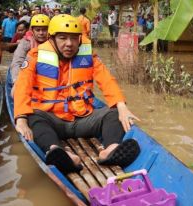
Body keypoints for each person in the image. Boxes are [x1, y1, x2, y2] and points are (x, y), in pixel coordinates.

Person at [13, 14, 140, 175]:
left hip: (82, 119)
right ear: (51, 39)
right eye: (63, 38)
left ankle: (111, 149)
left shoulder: (89, 56)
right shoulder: (34, 56)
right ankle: (57, 151)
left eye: (74, 38)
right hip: (52, 119)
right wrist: (21, 119)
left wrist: (122, 106)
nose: (69, 44)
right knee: (33, 117)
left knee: (113, 113)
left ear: (80, 39)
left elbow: (106, 80)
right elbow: (22, 87)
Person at [10, 14, 49, 85]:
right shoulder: (25, 42)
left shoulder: (52, 42)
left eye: (44, 30)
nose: (41, 33)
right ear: (32, 30)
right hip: (24, 75)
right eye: (38, 30)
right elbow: (17, 62)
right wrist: (17, 82)